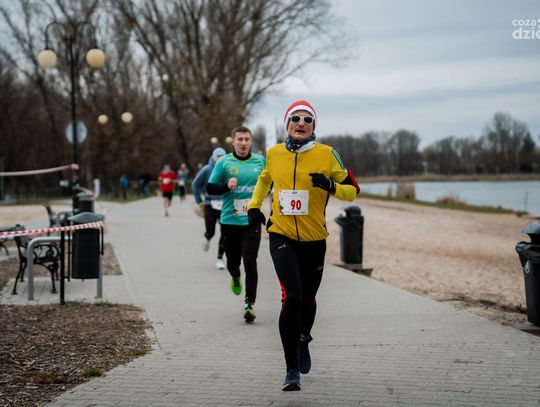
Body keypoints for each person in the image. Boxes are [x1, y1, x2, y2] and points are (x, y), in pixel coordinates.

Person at [247, 100, 360, 391]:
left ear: (314, 126)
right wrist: (254, 207)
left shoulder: (328, 154)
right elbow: (264, 181)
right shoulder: (274, 153)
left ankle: (303, 338)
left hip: (314, 240)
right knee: (292, 298)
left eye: (307, 120)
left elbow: (352, 192)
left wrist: (331, 186)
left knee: (308, 299)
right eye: (295, 118)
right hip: (281, 235)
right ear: (287, 124)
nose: (301, 123)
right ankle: (291, 369)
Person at [207, 126, 265, 323]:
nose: (243, 143)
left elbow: (270, 183)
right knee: (233, 262)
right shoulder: (223, 162)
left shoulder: (260, 161)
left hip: (251, 220)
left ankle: (250, 304)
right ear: (233, 142)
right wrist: (226, 186)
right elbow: (210, 188)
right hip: (230, 221)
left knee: (250, 260)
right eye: (239, 139)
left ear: (251, 141)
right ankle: (235, 275)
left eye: (246, 139)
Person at [192, 147, 227, 270]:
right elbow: (195, 185)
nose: (220, 158)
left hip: (225, 204)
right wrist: (199, 202)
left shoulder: (229, 169)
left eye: (222, 156)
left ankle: (219, 258)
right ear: (213, 157)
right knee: (211, 231)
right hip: (209, 204)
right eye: (218, 156)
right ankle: (207, 237)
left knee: (226, 232)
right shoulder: (206, 169)